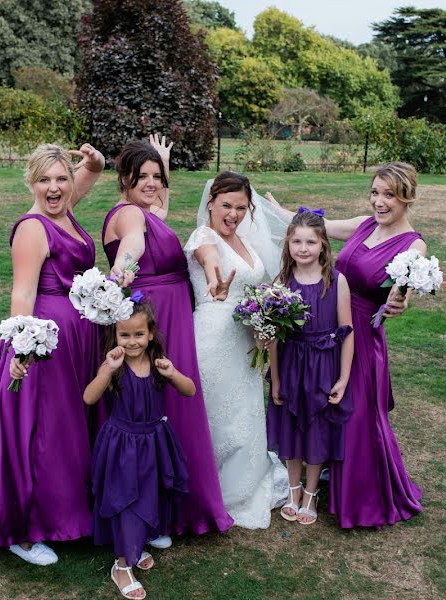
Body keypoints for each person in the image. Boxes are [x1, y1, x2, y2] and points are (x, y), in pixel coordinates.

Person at [265, 162, 425, 528]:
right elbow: (311, 227)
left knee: (354, 416)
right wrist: (277, 210)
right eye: (375, 192)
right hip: (321, 316)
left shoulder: (413, 244)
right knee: (319, 405)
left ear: (407, 198)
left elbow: (403, 290)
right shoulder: (363, 223)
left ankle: (358, 494)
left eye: (389, 195)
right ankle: (315, 478)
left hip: (360, 337)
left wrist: (399, 302)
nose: (379, 202)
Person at [0, 142, 106, 563]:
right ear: (30, 182)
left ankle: (69, 513)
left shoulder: (63, 210)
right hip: (45, 345)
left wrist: (95, 166)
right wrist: (23, 349)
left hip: (78, 342)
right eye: (44, 180)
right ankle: (23, 531)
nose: (54, 188)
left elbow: (73, 188)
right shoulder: (32, 228)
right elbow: (23, 292)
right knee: (43, 434)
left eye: (61, 179)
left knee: (71, 430)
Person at [101, 136, 233, 543]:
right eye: (142, 177)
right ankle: (153, 513)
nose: (153, 184)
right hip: (154, 319)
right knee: (157, 411)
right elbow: (135, 242)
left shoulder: (148, 209)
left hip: (174, 315)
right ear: (124, 179)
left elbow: (158, 209)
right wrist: (121, 272)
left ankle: (168, 506)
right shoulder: (128, 216)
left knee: (173, 407)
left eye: (156, 177)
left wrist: (164, 165)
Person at [184, 171, 289, 528]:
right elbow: (210, 262)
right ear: (211, 202)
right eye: (226, 205)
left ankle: (241, 485)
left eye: (241, 207)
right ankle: (207, 490)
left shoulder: (245, 241)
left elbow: (258, 282)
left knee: (243, 414)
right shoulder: (203, 237)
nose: (233, 214)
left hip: (246, 340)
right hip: (213, 338)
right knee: (216, 416)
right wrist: (216, 282)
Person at [84, 302, 194, 600]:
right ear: (115, 335)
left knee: (149, 495)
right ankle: (121, 566)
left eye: (138, 334)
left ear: (151, 334)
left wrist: (172, 373)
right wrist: (109, 369)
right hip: (122, 445)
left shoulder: (159, 363)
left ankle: (139, 543)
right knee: (126, 500)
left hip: (154, 441)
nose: (131, 342)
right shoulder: (113, 366)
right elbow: (89, 397)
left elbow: (190, 390)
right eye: (124, 335)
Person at [266, 208, 354, 526]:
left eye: (310, 242)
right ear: (288, 244)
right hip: (290, 363)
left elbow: (347, 332)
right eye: (297, 242)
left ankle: (312, 492)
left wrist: (343, 378)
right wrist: (275, 379)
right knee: (290, 425)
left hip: (323, 365)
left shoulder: (336, 282)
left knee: (317, 428)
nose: (303, 249)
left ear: (323, 245)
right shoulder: (282, 282)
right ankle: (293, 488)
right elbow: (274, 336)